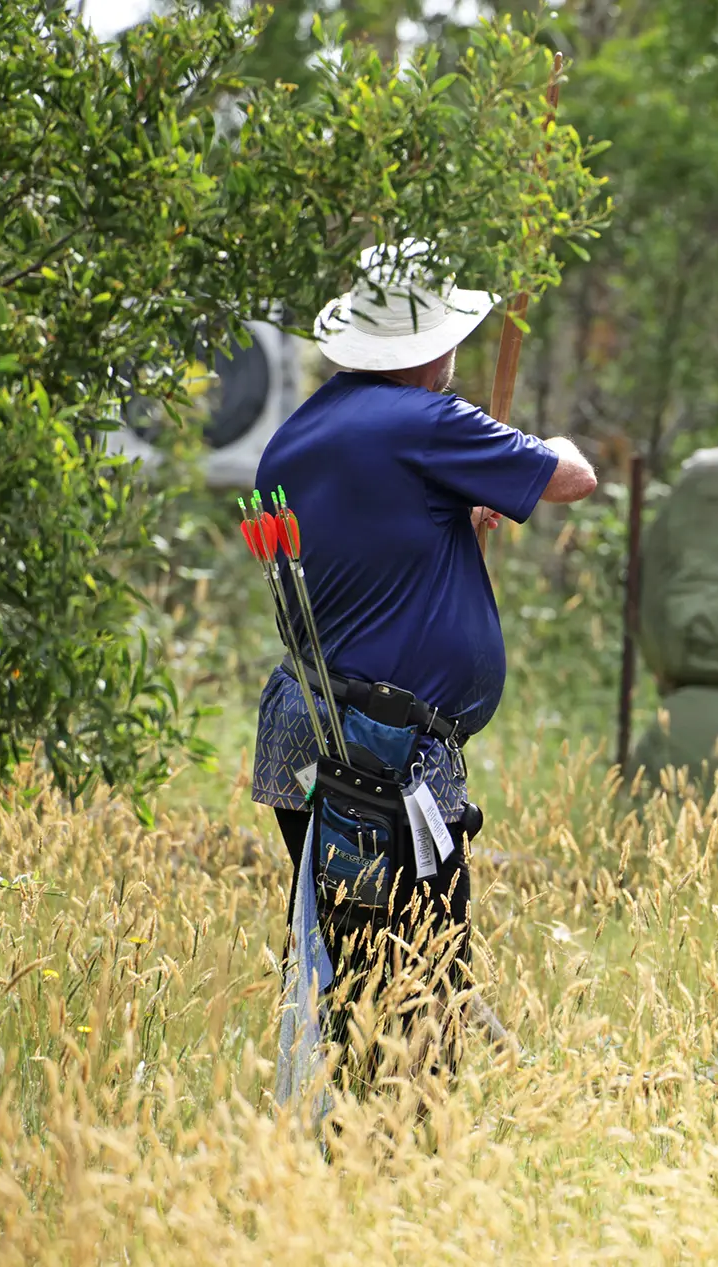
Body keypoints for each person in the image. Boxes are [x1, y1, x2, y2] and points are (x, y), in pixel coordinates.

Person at [253, 240, 597, 1062]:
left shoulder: (299, 432)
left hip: (302, 735)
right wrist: (534, 441)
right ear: (432, 347)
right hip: (382, 752)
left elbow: (357, 547)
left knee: (346, 950)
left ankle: (346, 1122)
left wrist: (444, 515)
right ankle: (404, 1145)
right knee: (418, 973)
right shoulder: (428, 420)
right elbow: (572, 477)